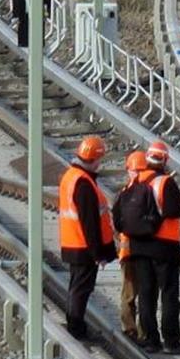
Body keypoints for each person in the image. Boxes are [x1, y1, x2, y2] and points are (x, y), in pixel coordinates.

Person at [127, 141, 180, 354]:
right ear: (165, 160)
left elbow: (121, 214)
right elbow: (175, 210)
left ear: (147, 158)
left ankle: (151, 339)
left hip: (138, 246)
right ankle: (171, 341)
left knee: (146, 294)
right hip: (164, 247)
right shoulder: (166, 183)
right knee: (169, 294)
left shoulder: (135, 181)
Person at [58, 135, 117, 341]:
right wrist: (97, 253)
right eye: (100, 160)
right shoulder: (83, 183)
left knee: (77, 287)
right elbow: (89, 222)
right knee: (81, 289)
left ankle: (75, 323)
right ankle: (75, 327)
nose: (101, 164)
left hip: (72, 242)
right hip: (83, 247)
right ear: (94, 158)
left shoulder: (71, 176)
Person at [117, 150, 147, 342]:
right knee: (129, 294)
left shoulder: (143, 194)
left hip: (142, 252)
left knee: (144, 293)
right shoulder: (124, 194)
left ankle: (142, 331)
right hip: (129, 253)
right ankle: (129, 329)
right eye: (133, 171)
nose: (136, 174)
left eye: (139, 171)